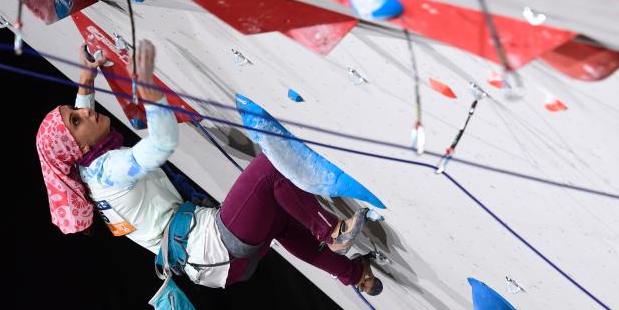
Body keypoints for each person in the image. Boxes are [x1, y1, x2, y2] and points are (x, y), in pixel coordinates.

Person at [35, 39, 381, 295]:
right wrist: (149, 89)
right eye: (78, 120)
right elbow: (160, 146)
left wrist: (85, 80)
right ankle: (330, 232)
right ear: (78, 147)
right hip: (214, 246)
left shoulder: (85, 169)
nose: (86, 113)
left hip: (215, 262)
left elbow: (78, 126)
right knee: (270, 169)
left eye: (76, 110)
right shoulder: (108, 170)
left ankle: (356, 275)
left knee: (280, 220)